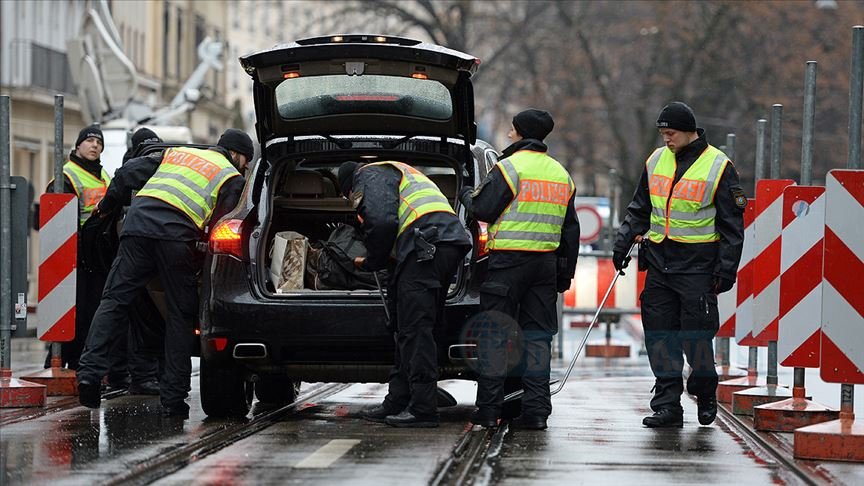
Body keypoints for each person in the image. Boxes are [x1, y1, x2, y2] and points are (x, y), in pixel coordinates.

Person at [76, 128, 253, 418]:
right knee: (179, 315)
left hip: (136, 227)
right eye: (245, 162)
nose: (243, 167)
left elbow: (126, 173)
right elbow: (221, 227)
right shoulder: (230, 176)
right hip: (175, 239)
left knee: (114, 302)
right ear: (238, 155)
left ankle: (89, 376)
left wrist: (106, 208)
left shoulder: (176, 154)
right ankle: (173, 400)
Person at [612, 101, 745, 428]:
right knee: (659, 336)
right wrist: (623, 241)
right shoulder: (656, 160)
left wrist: (725, 270)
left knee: (695, 338)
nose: (666, 139)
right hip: (659, 263)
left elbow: (731, 225)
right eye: (662, 134)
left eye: (670, 133)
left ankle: (704, 386)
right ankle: (667, 406)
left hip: (698, 267)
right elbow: (640, 208)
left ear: (689, 131)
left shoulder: (718, 166)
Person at [459, 109, 580, 431]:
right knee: (538, 339)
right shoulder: (560, 174)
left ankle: (488, 411)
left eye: (512, 130)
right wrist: (563, 275)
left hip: (508, 264)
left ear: (519, 132)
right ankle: (537, 412)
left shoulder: (510, 168)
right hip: (544, 266)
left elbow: (484, 209)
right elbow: (571, 231)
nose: (510, 135)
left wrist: (465, 197)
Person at [340, 160, 471, 428]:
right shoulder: (395, 173)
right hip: (437, 243)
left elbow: (383, 222)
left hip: (427, 247)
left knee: (415, 329)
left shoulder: (368, 175)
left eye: (349, 196)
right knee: (405, 325)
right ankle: (398, 400)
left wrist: (371, 260)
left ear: (349, 183)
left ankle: (423, 410)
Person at [44, 125, 110, 370]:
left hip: (98, 256)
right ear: (78, 145)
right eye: (90, 141)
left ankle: (81, 363)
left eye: (99, 143)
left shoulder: (105, 176)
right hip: (75, 257)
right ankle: (60, 362)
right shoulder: (66, 176)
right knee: (75, 315)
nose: (95, 146)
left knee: (91, 314)